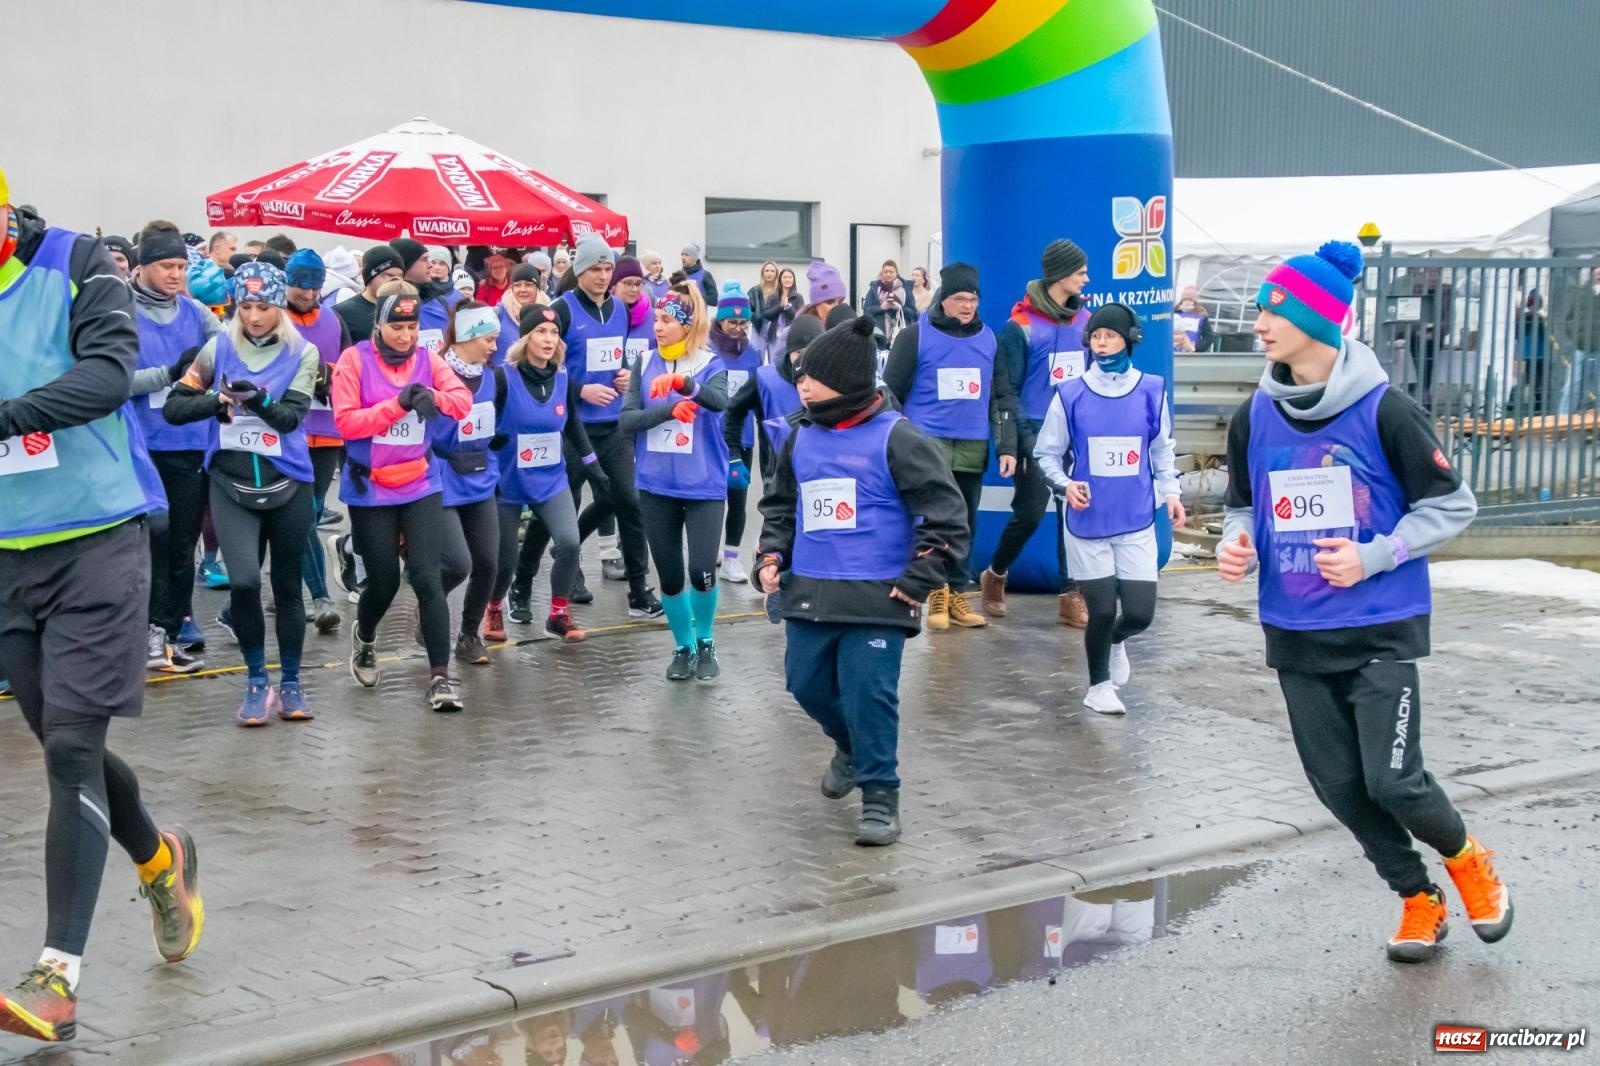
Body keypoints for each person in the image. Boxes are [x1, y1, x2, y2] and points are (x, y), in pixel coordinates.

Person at [1217, 240, 1510, 964]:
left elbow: (1452, 505)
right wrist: (1236, 540)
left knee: (1394, 781)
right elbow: (1243, 505)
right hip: (1295, 629)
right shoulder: (1254, 416)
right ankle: (1417, 897)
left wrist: (1374, 555)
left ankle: (1467, 858)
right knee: (1341, 789)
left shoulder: (1387, 410)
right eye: (1259, 312)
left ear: (1319, 319)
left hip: (1379, 625)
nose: (1260, 324)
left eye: (1273, 311)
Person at [0, 182, 203, 1042]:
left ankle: (58, 979)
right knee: (64, 749)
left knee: (74, 748)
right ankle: (163, 860)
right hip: (8, 560)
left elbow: (109, 374)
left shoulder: (77, 263)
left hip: (99, 543)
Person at [754, 316, 969, 846]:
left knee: (869, 694)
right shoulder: (799, 437)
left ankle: (880, 796)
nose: (800, 384)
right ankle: (848, 747)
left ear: (847, 381)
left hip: (880, 596)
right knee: (804, 684)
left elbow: (947, 517)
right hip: (809, 591)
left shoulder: (900, 438)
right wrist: (770, 556)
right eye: (799, 377)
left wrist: (919, 579)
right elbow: (781, 505)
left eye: (811, 377)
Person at [163, 261, 321, 724]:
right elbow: (174, 407)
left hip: (288, 481)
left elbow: (292, 419)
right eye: (247, 306)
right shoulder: (217, 347)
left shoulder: (303, 352)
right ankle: (257, 680)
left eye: (265, 306)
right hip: (229, 483)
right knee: (246, 582)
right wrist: (217, 400)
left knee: (288, 587)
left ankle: (291, 681)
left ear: (280, 307)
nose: (254, 316)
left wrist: (260, 400)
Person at [1032, 303, 1183, 715]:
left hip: (1135, 519)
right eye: (1096, 336)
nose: (1102, 343)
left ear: (1128, 339)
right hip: (1087, 520)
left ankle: (1117, 640)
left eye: (1110, 336)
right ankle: (1098, 685)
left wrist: (1172, 494)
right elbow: (1046, 454)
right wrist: (1066, 485)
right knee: (1099, 608)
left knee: (1138, 613)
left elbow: (1162, 450)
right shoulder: (1071, 393)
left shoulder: (1153, 389)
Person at [332, 281, 474, 712]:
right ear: (379, 323)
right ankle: (366, 635)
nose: (406, 335)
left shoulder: (429, 360)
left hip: (419, 484)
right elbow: (346, 423)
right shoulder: (353, 360)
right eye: (397, 325)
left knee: (429, 579)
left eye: (411, 326)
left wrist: (432, 396)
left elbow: (462, 400)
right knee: (385, 582)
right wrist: (397, 405)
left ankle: (440, 679)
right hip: (370, 487)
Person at [529, 233, 662, 619]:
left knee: (628, 503)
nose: (603, 276)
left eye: (608, 269)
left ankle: (639, 590)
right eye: (595, 269)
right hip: (574, 428)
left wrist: (624, 378)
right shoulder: (562, 309)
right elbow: (544, 370)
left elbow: (615, 358)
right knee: (562, 507)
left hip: (614, 425)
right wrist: (580, 389)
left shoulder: (620, 309)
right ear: (579, 269)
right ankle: (550, 575)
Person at [883, 262, 1003, 631]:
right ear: (944, 299)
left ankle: (958, 595)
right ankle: (935, 589)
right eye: (960, 298)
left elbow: (997, 396)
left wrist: (1006, 443)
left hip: (971, 443)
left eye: (973, 299)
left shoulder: (988, 338)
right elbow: (891, 393)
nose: (968, 306)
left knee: (965, 520)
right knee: (933, 520)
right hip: (927, 444)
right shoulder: (915, 336)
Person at [620, 282, 731, 680]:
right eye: (656, 319)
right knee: (668, 573)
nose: (658, 327)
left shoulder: (711, 364)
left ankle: (706, 640)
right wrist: (669, 410)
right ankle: (683, 647)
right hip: (655, 486)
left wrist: (686, 386)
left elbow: (721, 401)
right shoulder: (644, 362)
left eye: (667, 320)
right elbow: (627, 421)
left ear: (688, 325)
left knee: (702, 569)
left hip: (703, 485)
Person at [982, 239, 1092, 627]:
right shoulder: (1021, 326)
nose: (1086, 279)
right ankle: (995, 573)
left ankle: (1071, 592)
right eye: (1080, 273)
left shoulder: (1086, 321)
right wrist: (1015, 441)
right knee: (1029, 515)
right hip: (1034, 428)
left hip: (1076, 432)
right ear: (1061, 275)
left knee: (1072, 514)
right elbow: (1006, 389)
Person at [126, 224, 219, 672]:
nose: (176, 274)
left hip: (188, 443)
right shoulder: (120, 311)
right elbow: (114, 381)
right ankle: (141, 630)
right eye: (167, 265)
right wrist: (170, 373)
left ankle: (170, 628)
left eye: (182, 266)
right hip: (140, 445)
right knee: (152, 539)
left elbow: (228, 356)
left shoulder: (198, 313)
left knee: (183, 544)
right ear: (142, 266)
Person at [491, 304, 607, 644]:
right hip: (508, 481)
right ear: (526, 338)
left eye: (554, 333)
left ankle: (557, 615)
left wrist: (594, 466)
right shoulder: (503, 377)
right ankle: (494, 606)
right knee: (506, 558)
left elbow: (573, 425)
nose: (548, 338)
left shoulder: (562, 377)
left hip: (550, 479)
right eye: (540, 332)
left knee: (570, 543)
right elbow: (479, 424)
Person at [429, 302, 507, 662]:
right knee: (457, 564)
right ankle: (430, 606)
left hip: (481, 475)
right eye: (489, 339)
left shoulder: (492, 375)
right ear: (469, 336)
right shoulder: (436, 372)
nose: (494, 347)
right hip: (443, 475)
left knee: (488, 562)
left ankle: (468, 635)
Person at [284, 249, 349, 633]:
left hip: (326, 431)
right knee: (302, 514)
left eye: (314, 285)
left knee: (306, 512)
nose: (308, 293)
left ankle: (290, 586)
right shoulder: (272, 318)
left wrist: (332, 374)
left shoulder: (334, 320)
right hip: (286, 429)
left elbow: (351, 367)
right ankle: (320, 594)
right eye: (300, 284)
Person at [706, 281, 763, 582]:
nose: (738, 328)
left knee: (738, 497)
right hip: (710, 436)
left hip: (742, 436)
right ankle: (709, 550)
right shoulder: (707, 350)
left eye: (744, 322)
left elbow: (757, 396)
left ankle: (731, 558)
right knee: (712, 498)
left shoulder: (753, 354)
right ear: (720, 321)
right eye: (732, 322)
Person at [333, 244, 404, 346]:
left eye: (400, 276)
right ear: (370, 277)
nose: (395, 281)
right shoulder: (342, 312)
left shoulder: (405, 309)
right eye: (389, 275)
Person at [1557, 264, 1600, 416]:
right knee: (1572, 386)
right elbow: (1568, 318)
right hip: (1581, 347)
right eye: (1597, 268)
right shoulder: (1581, 292)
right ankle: (1562, 422)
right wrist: (1576, 336)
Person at [492, 262, 547, 366]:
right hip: (504, 379)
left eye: (528, 285)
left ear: (537, 288)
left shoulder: (549, 312)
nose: (522, 289)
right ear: (512, 288)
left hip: (537, 378)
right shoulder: (498, 313)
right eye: (517, 285)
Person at [754, 266, 804, 366]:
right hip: (774, 336)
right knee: (774, 364)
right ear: (780, 279)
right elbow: (766, 314)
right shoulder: (773, 296)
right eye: (785, 277)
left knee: (787, 364)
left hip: (789, 336)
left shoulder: (798, 297)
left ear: (793, 280)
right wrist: (780, 306)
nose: (787, 279)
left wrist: (787, 306)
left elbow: (798, 317)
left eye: (790, 277)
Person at [1517, 289, 1549, 416]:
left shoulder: (1526, 318)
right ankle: (1539, 408)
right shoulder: (1542, 318)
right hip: (1537, 355)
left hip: (1530, 355)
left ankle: (1537, 408)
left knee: (1533, 384)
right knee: (1537, 384)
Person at [864, 260, 911, 345]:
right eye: (886, 272)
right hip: (878, 334)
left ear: (896, 273)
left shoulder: (905, 289)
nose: (888, 274)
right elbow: (866, 311)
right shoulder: (874, 288)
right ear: (882, 273)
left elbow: (913, 314)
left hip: (901, 332)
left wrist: (899, 308)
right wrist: (881, 308)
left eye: (891, 272)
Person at [799, 261, 848, 326]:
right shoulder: (799, 332)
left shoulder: (844, 329)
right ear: (815, 305)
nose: (837, 308)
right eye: (830, 302)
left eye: (840, 302)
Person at [1173, 285, 1214, 353]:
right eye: (1185, 300)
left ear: (1195, 302)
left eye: (1190, 300)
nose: (1187, 302)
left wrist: (1197, 347)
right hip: (1174, 352)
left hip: (1192, 353)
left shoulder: (1202, 316)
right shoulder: (1174, 314)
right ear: (1181, 301)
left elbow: (1208, 336)